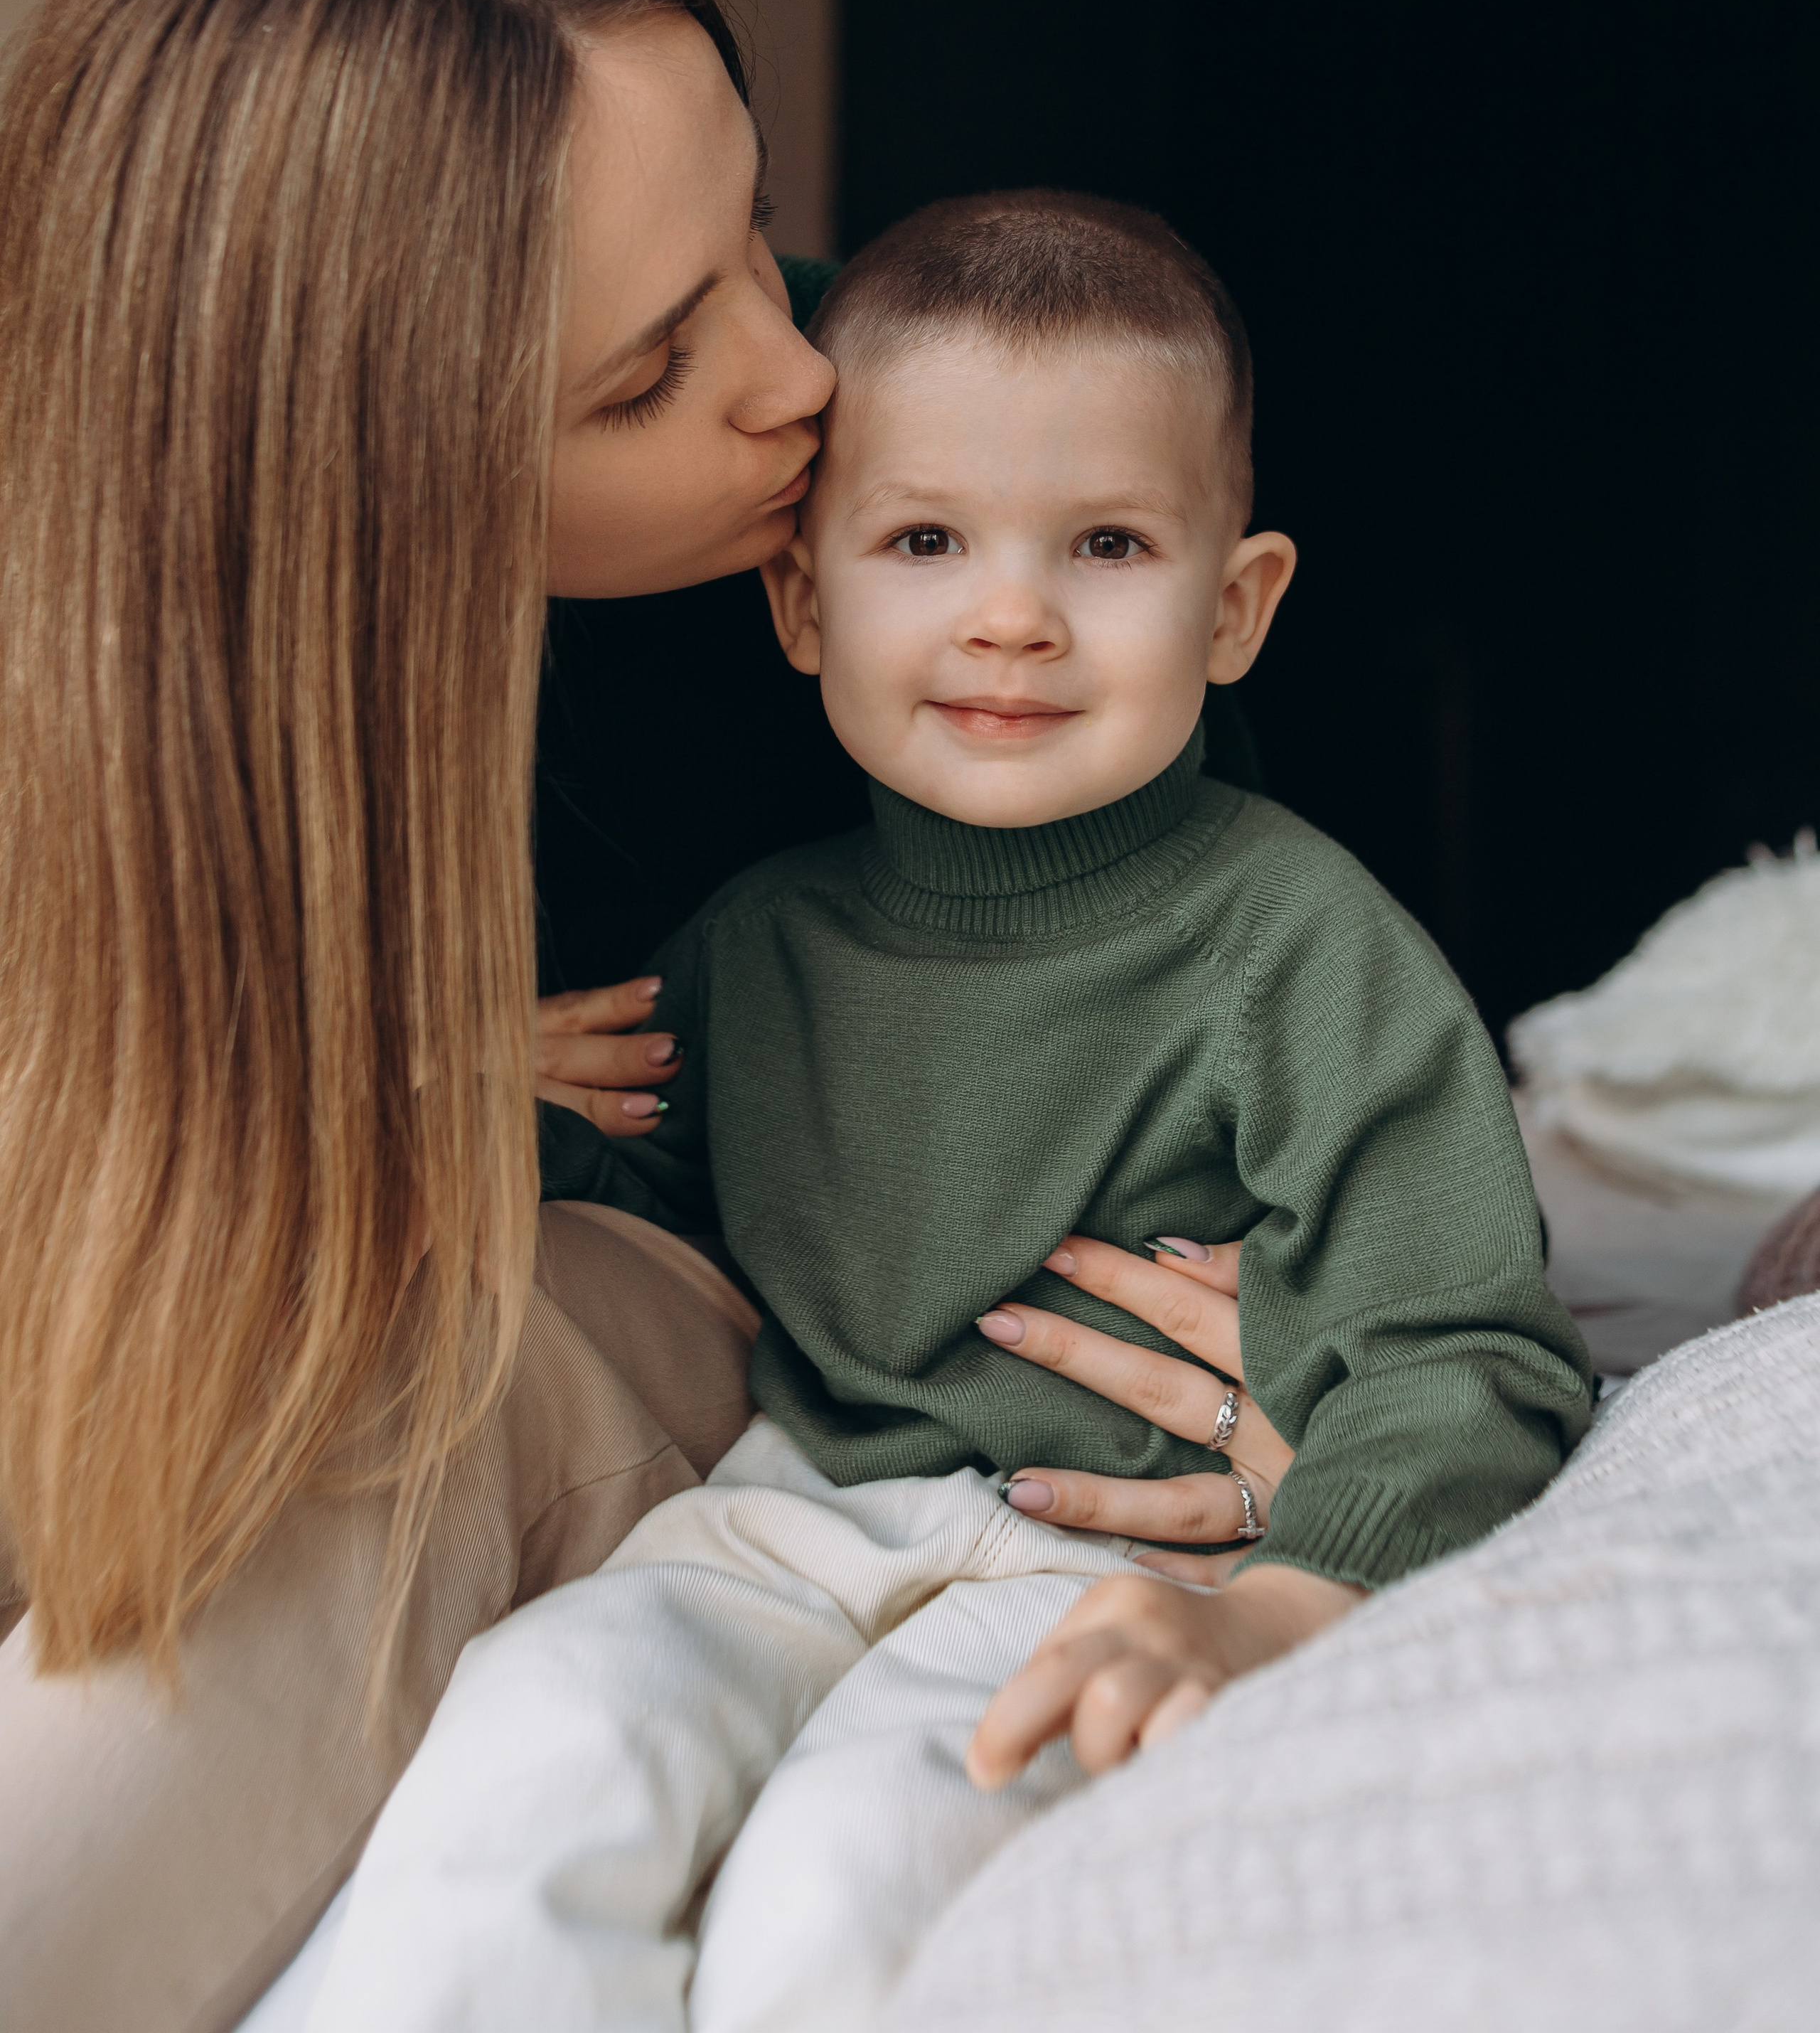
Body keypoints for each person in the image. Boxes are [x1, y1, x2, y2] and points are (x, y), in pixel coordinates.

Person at [0, 0, 1297, 2033]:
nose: (797, 376)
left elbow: (1232, 1012)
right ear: (374, 492)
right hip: (255, 1298)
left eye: (753, 236)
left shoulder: (934, 520)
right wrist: (343, 1074)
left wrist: (1301, 1313)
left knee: (432, 1383)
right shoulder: (133, 699)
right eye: (644, 377)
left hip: (691, 1319)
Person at [306, 191, 1592, 2033]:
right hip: (789, 1513)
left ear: (1235, 608)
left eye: (1107, 544)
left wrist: (1283, 1604)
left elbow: (1464, 1346)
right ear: (802, 602)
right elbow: (619, 1183)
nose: (1011, 617)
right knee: (532, 1758)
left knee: (849, 1886)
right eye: (925, 539)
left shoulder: (1304, 949)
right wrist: (437, 1091)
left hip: (1115, 1552)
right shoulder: (756, 942)